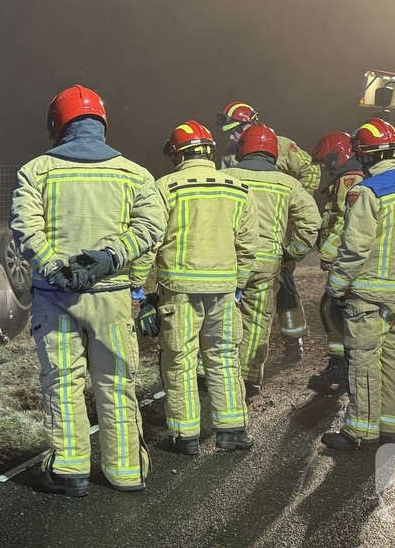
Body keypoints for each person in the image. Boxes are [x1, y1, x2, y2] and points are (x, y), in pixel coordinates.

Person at [9, 85, 166, 496]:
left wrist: (53, 267)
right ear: (101, 123)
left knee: (62, 382)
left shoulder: (36, 171)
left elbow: (25, 227)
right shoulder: (135, 174)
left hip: (53, 297)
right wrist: (111, 258)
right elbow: (151, 228)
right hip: (111, 297)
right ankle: (126, 471)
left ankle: (71, 471)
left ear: (57, 124)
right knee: (115, 382)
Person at [135, 120, 258, 456]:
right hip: (223, 290)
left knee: (180, 360)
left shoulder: (165, 188)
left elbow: (151, 242)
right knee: (223, 359)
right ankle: (232, 430)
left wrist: (139, 286)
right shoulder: (237, 188)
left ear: (178, 154)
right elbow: (248, 244)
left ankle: (185, 435)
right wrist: (239, 283)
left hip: (179, 291)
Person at [321, 119, 395, 450]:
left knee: (363, 362)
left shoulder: (367, 191)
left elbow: (354, 248)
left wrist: (336, 286)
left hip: (367, 295)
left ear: (363, 155)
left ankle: (360, 433)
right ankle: (392, 427)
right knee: (393, 356)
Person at [220, 124, 320, 396]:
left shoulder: (224, 176)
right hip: (267, 264)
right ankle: (248, 378)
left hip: (229, 260)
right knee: (256, 323)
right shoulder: (289, 184)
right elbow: (311, 223)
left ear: (243, 148)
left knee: (222, 318)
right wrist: (293, 252)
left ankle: (214, 374)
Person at [307, 131, 364, 392]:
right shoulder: (349, 177)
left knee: (333, 309)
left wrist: (327, 251)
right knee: (334, 309)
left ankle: (342, 370)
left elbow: (346, 221)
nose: (326, 167)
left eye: (327, 161)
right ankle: (343, 368)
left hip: (346, 258)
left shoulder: (349, 179)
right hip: (347, 256)